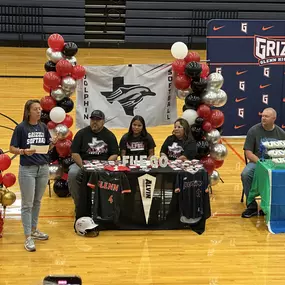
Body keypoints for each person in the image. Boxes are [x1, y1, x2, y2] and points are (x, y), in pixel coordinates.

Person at [9, 99, 58, 252]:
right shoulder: (21, 128)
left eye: (40, 109)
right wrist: (23, 151)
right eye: (36, 109)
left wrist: (53, 144)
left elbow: (45, 148)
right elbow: (12, 148)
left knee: (37, 201)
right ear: (28, 111)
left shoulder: (43, 127)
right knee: (27, 204)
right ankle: (27, 237)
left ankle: (34, 230)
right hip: (27, 170)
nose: (39, 111)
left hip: (43, 168)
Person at [68, 110, 119, 216]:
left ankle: (107, 206)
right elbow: (75, 153)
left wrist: (106, 164)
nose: (94, 122)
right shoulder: (81, 134)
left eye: (98, 120)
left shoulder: (109, 135)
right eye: (92, 119)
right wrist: (83, 166)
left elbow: (114, 154)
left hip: (103, 164)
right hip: (83, 163)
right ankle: (79, 205)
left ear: (103, 121)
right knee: (73, 174)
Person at [241, 107, 285, 218]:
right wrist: (260, 163)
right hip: (257, 163)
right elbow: (248, 152)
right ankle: (251, 206)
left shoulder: (281, 133)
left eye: (266, 116)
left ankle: (274, 205)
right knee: (246, 174)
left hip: (275, 164)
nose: (263, 118)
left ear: (274, 118)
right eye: (262, 116)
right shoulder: (253, 130)